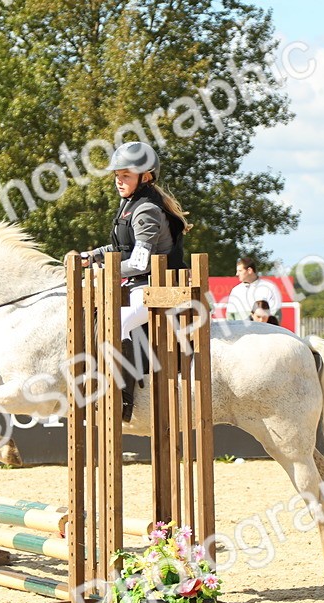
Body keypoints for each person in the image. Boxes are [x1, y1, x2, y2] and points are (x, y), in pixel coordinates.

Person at [76, 141, 191, 420]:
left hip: (161, 288)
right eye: (117, 175)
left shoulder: (147, 210)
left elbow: (139, 262)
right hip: (143, 284)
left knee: (117, 322)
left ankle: (123, 399)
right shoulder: (129, 204)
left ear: (146, 176)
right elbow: (122, 250)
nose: (119, 181)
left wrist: (103, 272)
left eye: (125, 175)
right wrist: (91, 257)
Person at [225, 256, 283, 321]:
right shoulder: (235, 291)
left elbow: (276, 316)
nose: (237, 274)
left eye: (240, 271)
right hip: (241, 331)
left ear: (249, 270)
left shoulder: (269, 288)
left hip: (265, 330)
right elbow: (230, 317)